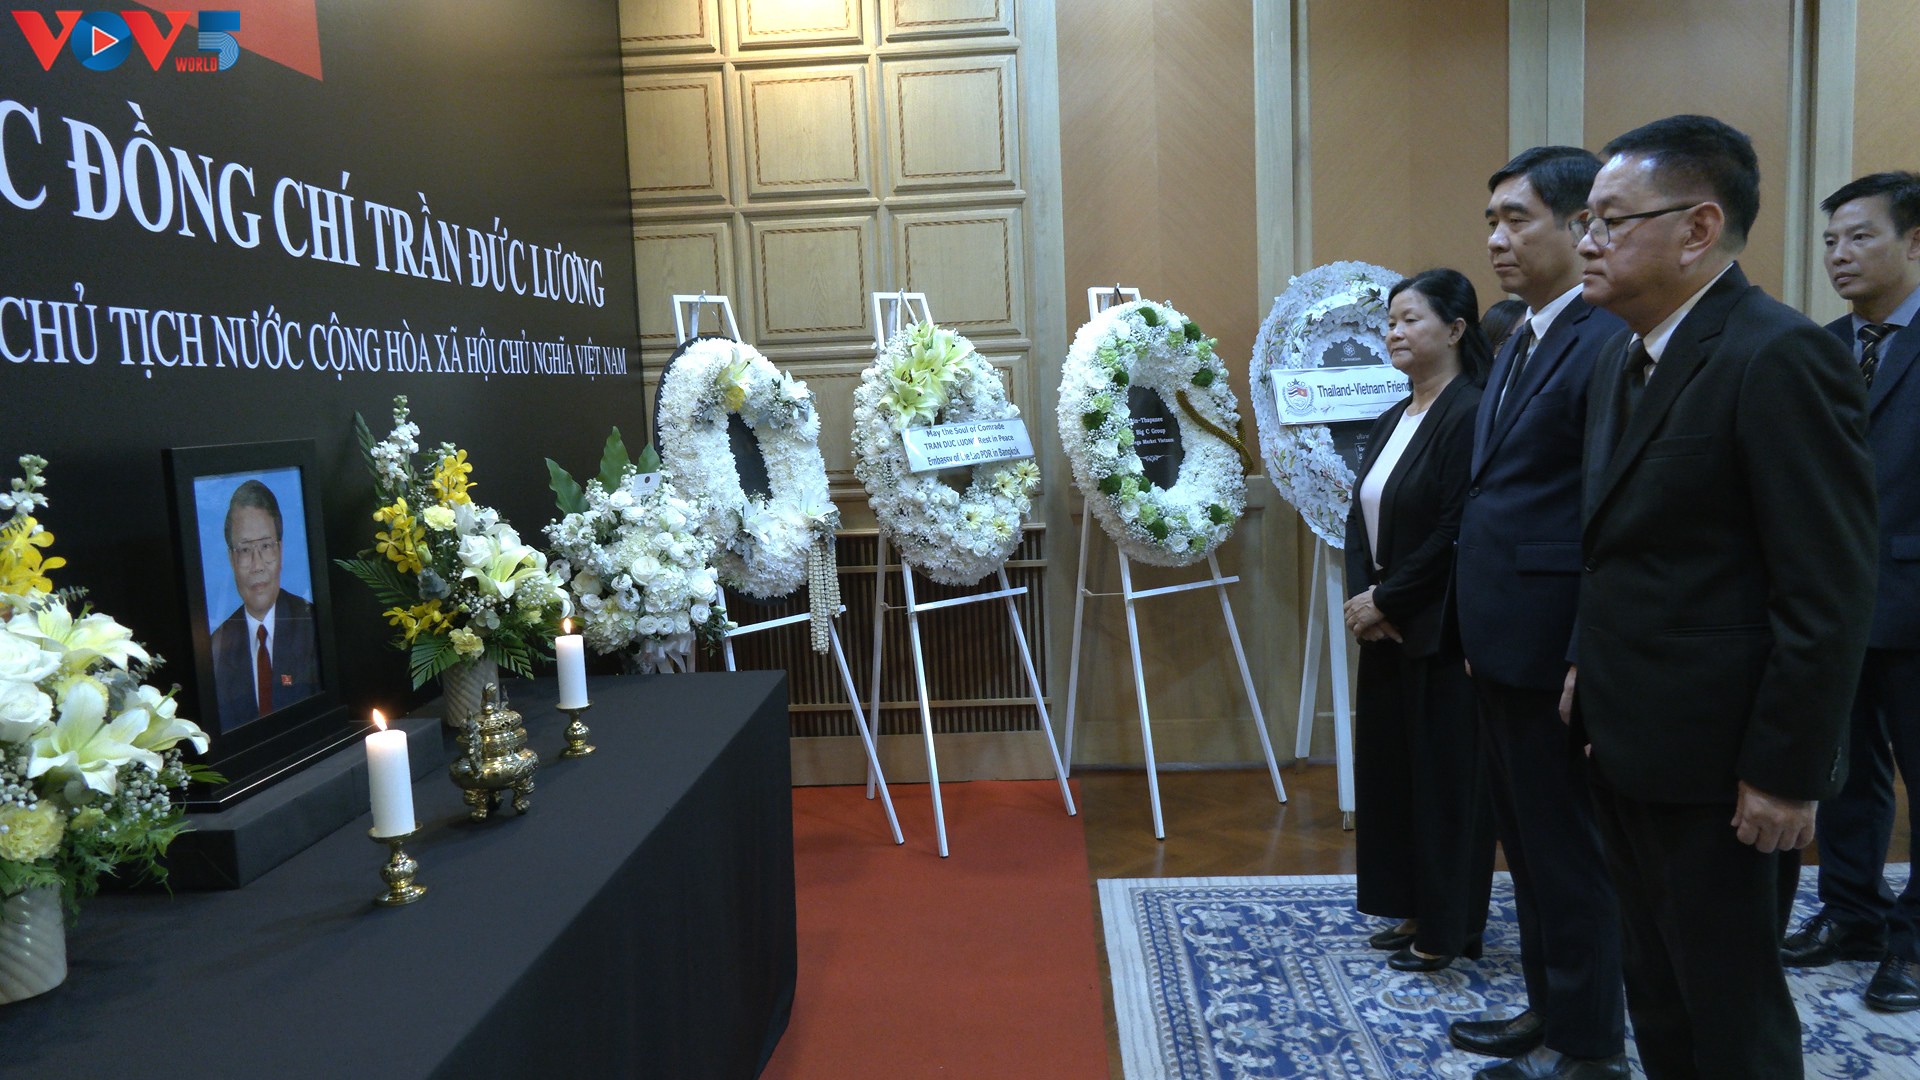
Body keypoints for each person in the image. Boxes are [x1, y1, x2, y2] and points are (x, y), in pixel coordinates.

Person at [1572, 115, 1876, 1078]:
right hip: (1629, 738)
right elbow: (1623, 547)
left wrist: (1786, 772)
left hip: (1724, 761)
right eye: (1585, 221)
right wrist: (1587, 665)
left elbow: (1826, 588)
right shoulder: (1623, 355)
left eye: (1610, 221)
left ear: (1697, 229)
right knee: (1657, 987)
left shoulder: (1777, 355)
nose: (1588, 242)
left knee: (1730, 1007)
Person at [1450, 147, 1628, 1080]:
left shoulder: (1604, 340)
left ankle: (1590, 1045)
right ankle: (1549, 1006)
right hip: (1501, 640)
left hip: (1555, 646)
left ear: (1580, 224)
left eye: (1517, 219)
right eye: (1492, 221)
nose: (1496, 239)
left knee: (1569, 852)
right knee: (1525, 845)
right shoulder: (1522, 335)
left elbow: (1608, 515)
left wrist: (1581, 651)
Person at [1777, 170, 1920, 1013]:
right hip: (1831, 605)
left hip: (1914, 595)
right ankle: (1851, 911)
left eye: (1860, 236)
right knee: (1845, 770)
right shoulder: (1821, 346)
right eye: (1831, 240)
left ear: (1914, 242)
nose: (1839, 254)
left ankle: (1915, 942)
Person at [1342, 268, 1495, 973]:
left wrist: (1391, 600)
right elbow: (1357, 522)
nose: (1394, 333)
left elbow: (1456, 527)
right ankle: (1409, 905)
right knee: (1394, 777)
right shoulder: (1392, 416)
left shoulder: (1471, 412)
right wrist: (1364, 603)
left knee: (1445, 785)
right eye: (1391, 322)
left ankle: (1447, 926)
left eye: (1410, 320)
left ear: (1456, 329)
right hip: (1386, 626)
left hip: (1438, 628)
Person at [210, 479, 320, 732]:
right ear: (231, 559)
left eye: (266, 546)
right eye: (245, 550)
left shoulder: (313, 626)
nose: (257, 565)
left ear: (280, 551)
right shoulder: (216, 648)